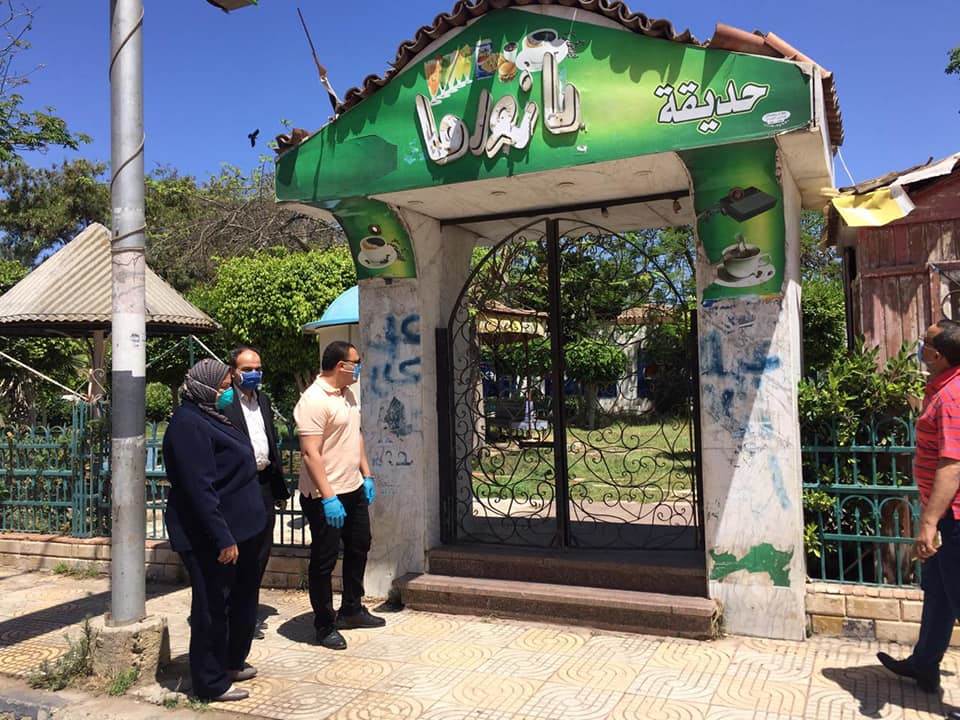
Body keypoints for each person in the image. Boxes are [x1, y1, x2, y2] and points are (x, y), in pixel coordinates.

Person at [163, 359, 265, 702]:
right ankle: (209, 682)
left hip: (239, 528)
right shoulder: (187, 424)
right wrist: (222, 537)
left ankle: (228, 664)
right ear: (204, 387)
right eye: (222, 387)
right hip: (209, 535)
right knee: (211, 608)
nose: (227, 392)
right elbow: (199, 488)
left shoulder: (210, 415)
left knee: (234, 602)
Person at [878, 320, 960, 699]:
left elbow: (953, 464)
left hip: (953, 517)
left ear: (937, 355)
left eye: (924, 343)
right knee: (939, 593)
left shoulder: (951, 397)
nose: (919, 347)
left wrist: (928, 522)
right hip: (945, 515)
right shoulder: (943, 387)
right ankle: (924, 663)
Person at [294, 341, 385, 650]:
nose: (359, 367)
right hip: (325, 494)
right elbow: (310, 453)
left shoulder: (347, 394)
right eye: (356, 362)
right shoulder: (313, 400)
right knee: (325, 558)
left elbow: (355, 435)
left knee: (360, 545)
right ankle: (324, 624)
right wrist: (327, 496)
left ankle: (352, 608)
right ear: (340, 365)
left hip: (353, 487)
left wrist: (367, 474)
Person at [222, 345, 291, 640]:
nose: (254, 374)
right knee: (238, 552)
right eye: (247, 369)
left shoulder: (262, 400)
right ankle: (230, 615)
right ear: (233, 372)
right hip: (237, 486)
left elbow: (270, 441)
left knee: (261, 552)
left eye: (258, 369)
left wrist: (278, 487)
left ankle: (247, 615)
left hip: (262, 484)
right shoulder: (224, 403)